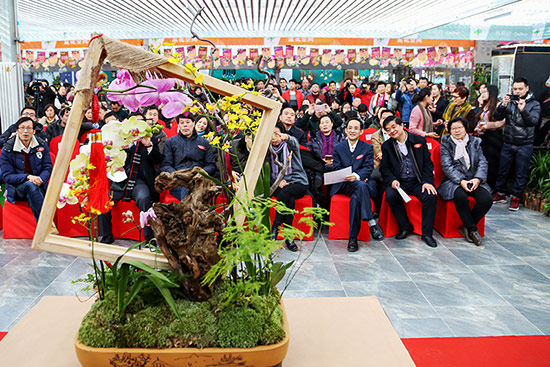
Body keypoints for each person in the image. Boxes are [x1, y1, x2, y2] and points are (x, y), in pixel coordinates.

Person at [99, 113, 164, 244]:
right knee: (103, 200)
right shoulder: (120, 139)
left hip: (139, 181)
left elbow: (158, 160)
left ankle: (149, 237)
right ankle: (106, 235)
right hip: (120, 180)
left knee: (143, 198)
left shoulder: (151, 139)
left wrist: (148, 145)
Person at [380, 116, 438, 248]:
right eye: (388, 130)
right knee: (390, 196)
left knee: (431, 196)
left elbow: (428, 164)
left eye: (394, 127)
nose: (392, 131)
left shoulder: (419, 140)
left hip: (417, 181)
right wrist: (392, 180)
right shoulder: (387, 146)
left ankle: (427, 233)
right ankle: (405, 227)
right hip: (399, 182)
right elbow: (385, 168)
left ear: (401, 125)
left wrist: (427, 181)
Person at [331, 118, 384, 252]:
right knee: (361, 186)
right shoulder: (338, 148)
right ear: (345, 130)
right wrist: (348, 176)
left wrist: (356, 176)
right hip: (343, 183)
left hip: (358, 183)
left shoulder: (367, 148)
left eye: (356, 128)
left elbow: (368, 167)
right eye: (350, 128)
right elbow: (336, 167)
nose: (352, 131)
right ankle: (371, 222)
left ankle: (352, 239)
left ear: (361, 131)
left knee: (356, 197)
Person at [438, 117, 492, 246]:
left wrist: (477, 179)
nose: (457, 131)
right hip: (453, 181)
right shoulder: (446, 143)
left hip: (473, 179)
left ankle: (466, 226)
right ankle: (472, 230)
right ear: (449, 131)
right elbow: (447, 166)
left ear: (465, 128)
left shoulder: (475, 142)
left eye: (459, 128)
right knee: (460, 196)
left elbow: (482, 162)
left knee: (487, 199)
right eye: (453, 128)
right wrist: (461, 181)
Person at [492, 77, 541, 211]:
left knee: (521, 172)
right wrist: (502, 105)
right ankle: (500, 193)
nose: (517, 91)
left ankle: (515, 197)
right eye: (515, 89)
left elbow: (533, 121)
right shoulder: (510, 102)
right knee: (502, 169)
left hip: (525, 143)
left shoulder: (534, 104)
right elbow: (497, 117)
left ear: (527, 88)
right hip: (508, 141)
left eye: (520, 89)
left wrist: (523, 110)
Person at [0, 117, 52, 222]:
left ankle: (43, 229)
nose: (25, 131)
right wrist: (28, 177)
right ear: (17, 130)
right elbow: (7, 176)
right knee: (30, 185)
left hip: (39, 184)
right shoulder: (7, 149)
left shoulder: (42, 145)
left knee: (33, 188)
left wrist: (41, 179)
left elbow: (47, 167)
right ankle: (46, 225)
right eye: (22, 128)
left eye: (29, 128)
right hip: (16, 189)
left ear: (33, 131)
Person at [270, 122, 310, 252]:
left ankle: (275, 226)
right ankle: (288, 236)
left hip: (298, 181)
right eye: (271, 134)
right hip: (278, 183)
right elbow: (267, 172)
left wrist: (286, 137)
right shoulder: (267, 150)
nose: (274, 137)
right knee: (289, 199)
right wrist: (278, 180)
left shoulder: (291, 147)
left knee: (287, 191)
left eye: (277, 133)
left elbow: (294, 142)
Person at [161, 112, 217, 200]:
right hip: (179, 180)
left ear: (193, 123)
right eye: (182, 123)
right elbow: (166, 165)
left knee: (194, 187)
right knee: (186, 188)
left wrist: (201, 173)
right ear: (178, 125)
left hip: (198, 179)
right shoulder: (170, 142)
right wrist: (179, 175)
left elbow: (211, 165)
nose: (185, 125)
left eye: (187, 122)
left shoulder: (204, 142)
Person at [474, 84, 504, 191]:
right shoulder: (485, 106)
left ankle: (492, 186)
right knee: (484, 161)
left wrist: (488, 126)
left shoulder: (498, 105)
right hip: (484, 136)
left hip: (495, 136)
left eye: (485, 92)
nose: (482, 94)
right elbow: (480, 119)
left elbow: (502, 122)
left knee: (493, 162)